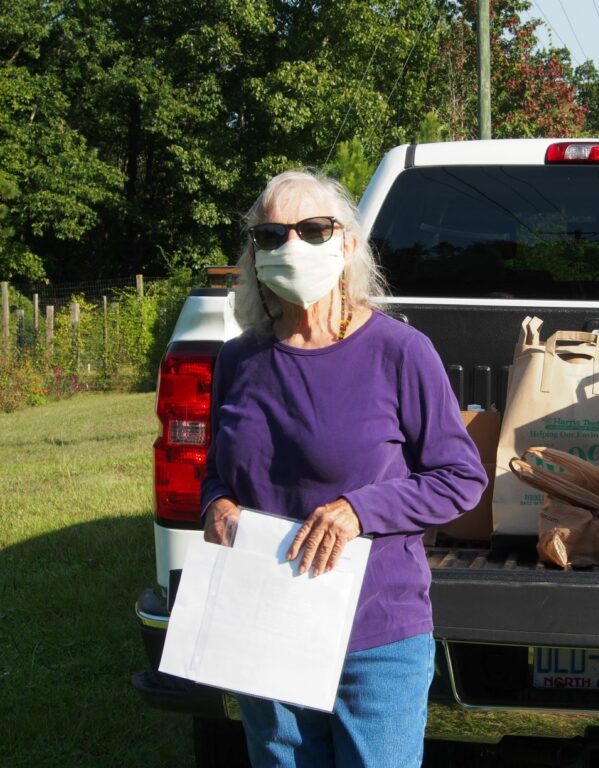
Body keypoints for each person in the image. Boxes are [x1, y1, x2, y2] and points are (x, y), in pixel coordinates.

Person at [200, 169, 487, 767]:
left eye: (313, 229)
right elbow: (218, 469)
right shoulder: (237, 360)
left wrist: (361, 510)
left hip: (373, 636)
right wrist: (216, 504)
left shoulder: (399, 352)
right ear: (254, 253)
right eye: (273, 235)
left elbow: (461, 477)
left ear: (348, 244)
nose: (292, 247)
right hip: (262, 626)